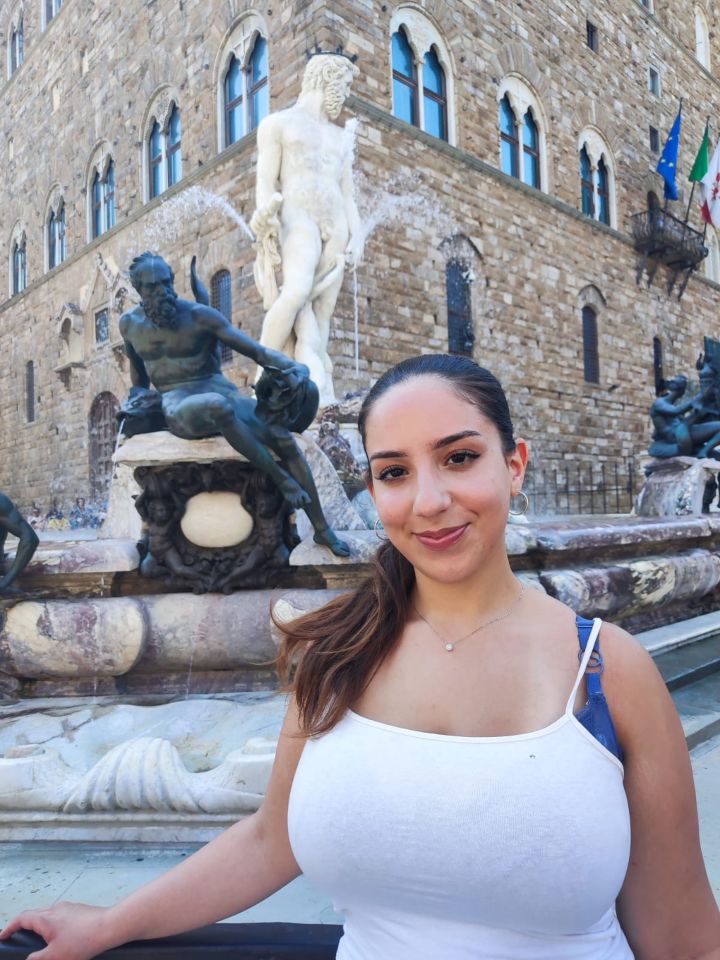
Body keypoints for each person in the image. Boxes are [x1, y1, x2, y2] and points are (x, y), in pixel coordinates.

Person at [2, 353, 719, 960]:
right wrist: (110, 924)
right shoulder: (335, 654)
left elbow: (680, 929)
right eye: (394, 472)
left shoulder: (608, 670)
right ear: (372, 489)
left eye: (459, 458)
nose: (429, 500)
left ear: (516, 464)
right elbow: (267, 841)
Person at [118, 252, 349, 557]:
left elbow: (259, 353)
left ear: (173, 281)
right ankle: (282, 480)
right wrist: (137, 403)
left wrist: (296, 370)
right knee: (217, 406)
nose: (162, 292)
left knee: (281, 437)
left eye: (165, 283)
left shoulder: (200, 316)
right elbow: (139, 380)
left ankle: (321, 529)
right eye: (151, 287)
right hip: (176, 403)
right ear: (138, 289)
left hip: (220, 391)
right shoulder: (130, 325)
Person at [251, 52, 363, 407]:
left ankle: (318, 390)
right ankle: (263, 373)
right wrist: (265, 211)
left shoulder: (341, 136)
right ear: (326, 78)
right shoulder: (278, 124)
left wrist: (357, 234)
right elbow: (266, 182)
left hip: (337, 226)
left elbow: (347, 193)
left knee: (322, 314)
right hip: (297, 219)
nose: (345, 95)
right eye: (343, 85)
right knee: (296, 291)